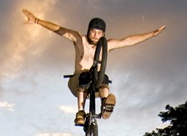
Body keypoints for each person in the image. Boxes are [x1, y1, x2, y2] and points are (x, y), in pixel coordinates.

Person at [22, 10, 166, 126]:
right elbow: (59, 29)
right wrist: (37, 21)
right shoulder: (79, 39)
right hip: (77, 84)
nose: (96, 36)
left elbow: (128, 41)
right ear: (88, 30)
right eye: (93, 32)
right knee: (85, 76)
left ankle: (105, 105)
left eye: (99, 33)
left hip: (96, 86)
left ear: (103, 34)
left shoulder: (106, 45)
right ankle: (80, 112)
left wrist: (152, 34)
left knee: (104, 77)